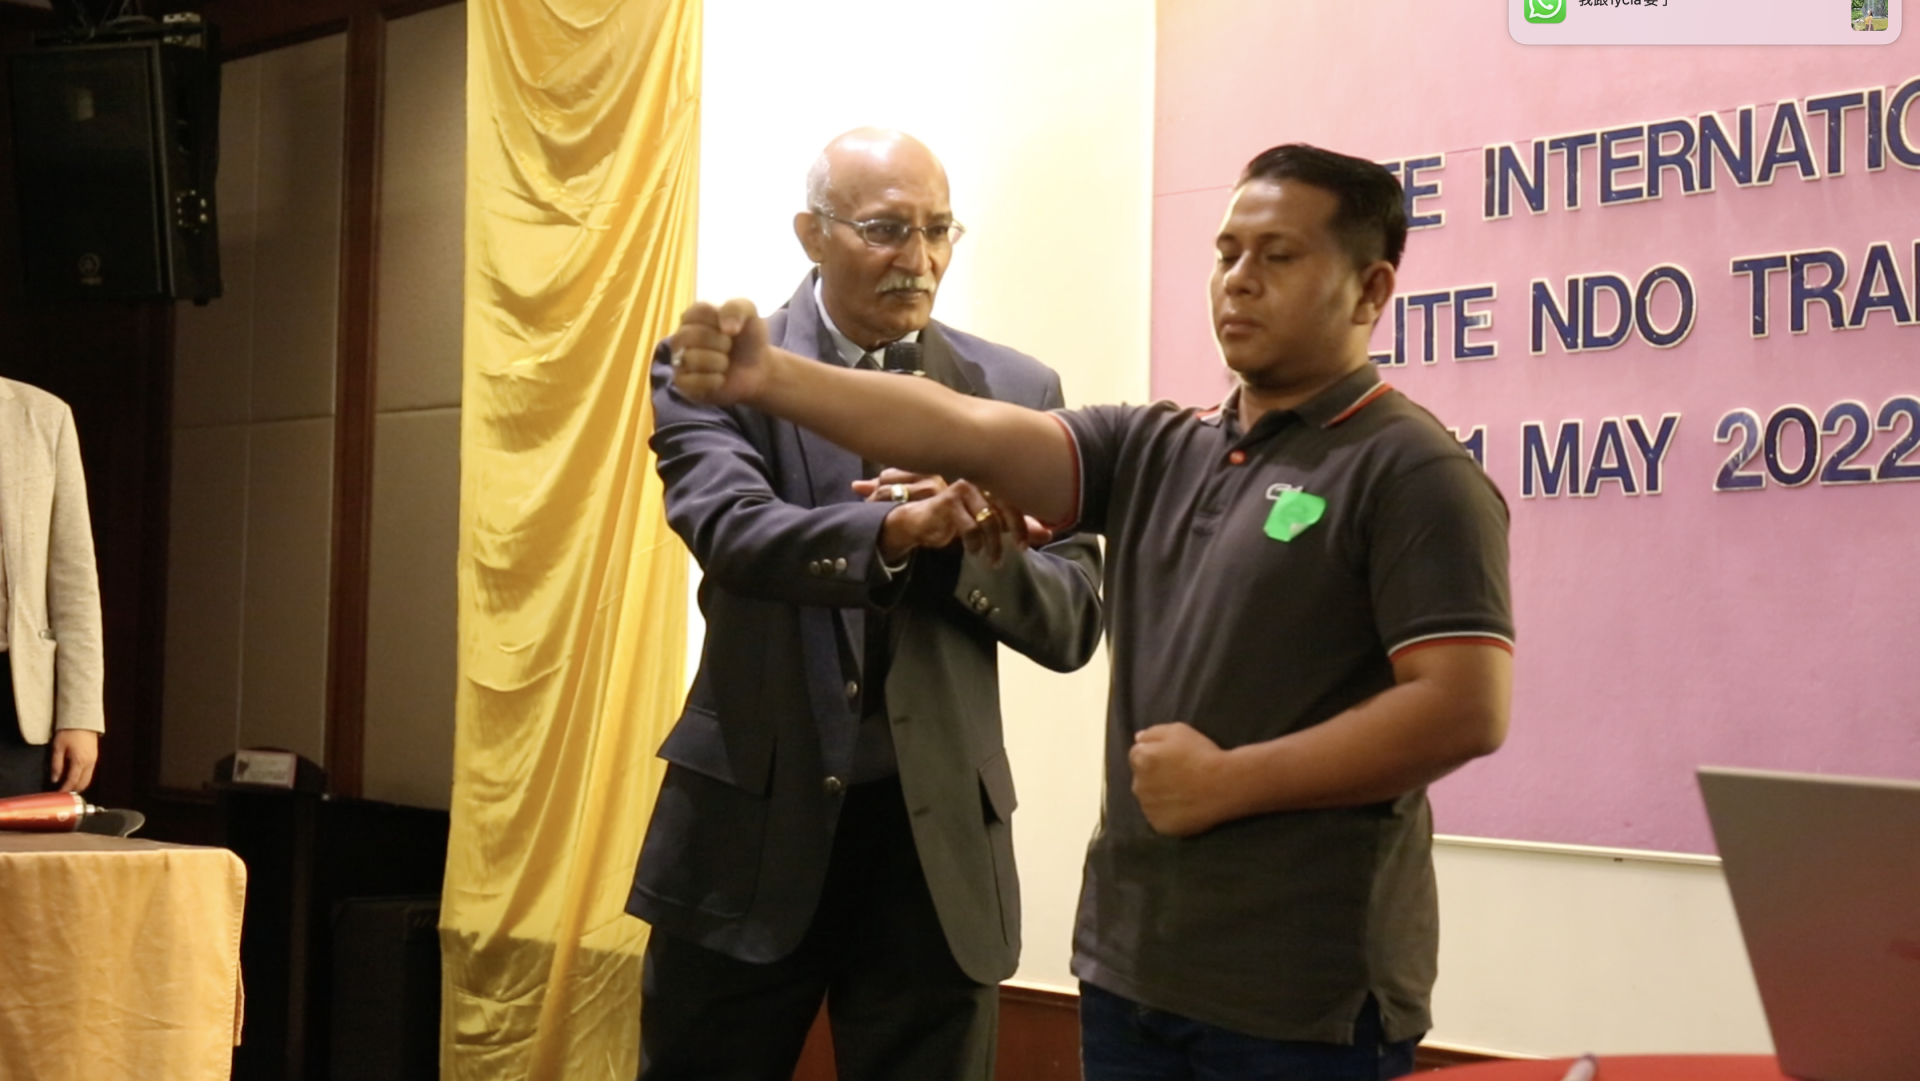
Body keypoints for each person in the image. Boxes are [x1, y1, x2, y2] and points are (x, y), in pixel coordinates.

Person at [667, 143, 1515, 1080]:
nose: (1238, 280)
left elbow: (1463, 708)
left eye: (1277, 256)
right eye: (1226, 253)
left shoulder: (1415, 472)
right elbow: (960, 428)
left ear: (1370, 289)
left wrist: (1233, 780)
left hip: (1299, 994)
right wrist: (770, 377)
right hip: (1134, 970)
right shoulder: (1162, 445)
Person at [628, 128, 1104, 1081]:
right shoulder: (721, 367)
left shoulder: (1016, 392)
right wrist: (889, 531)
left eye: (939, 230)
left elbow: (1072, 620)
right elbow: (732, 529)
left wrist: (963, 542)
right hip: (748, 833)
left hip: (936, 854)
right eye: (887, 229)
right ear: (812, 232)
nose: (918, 259)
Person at [0, 378, 105, 799]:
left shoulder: (45, 415)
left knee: (11, 840)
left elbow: (74, 580)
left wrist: (81, 715)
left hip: (12, 698)